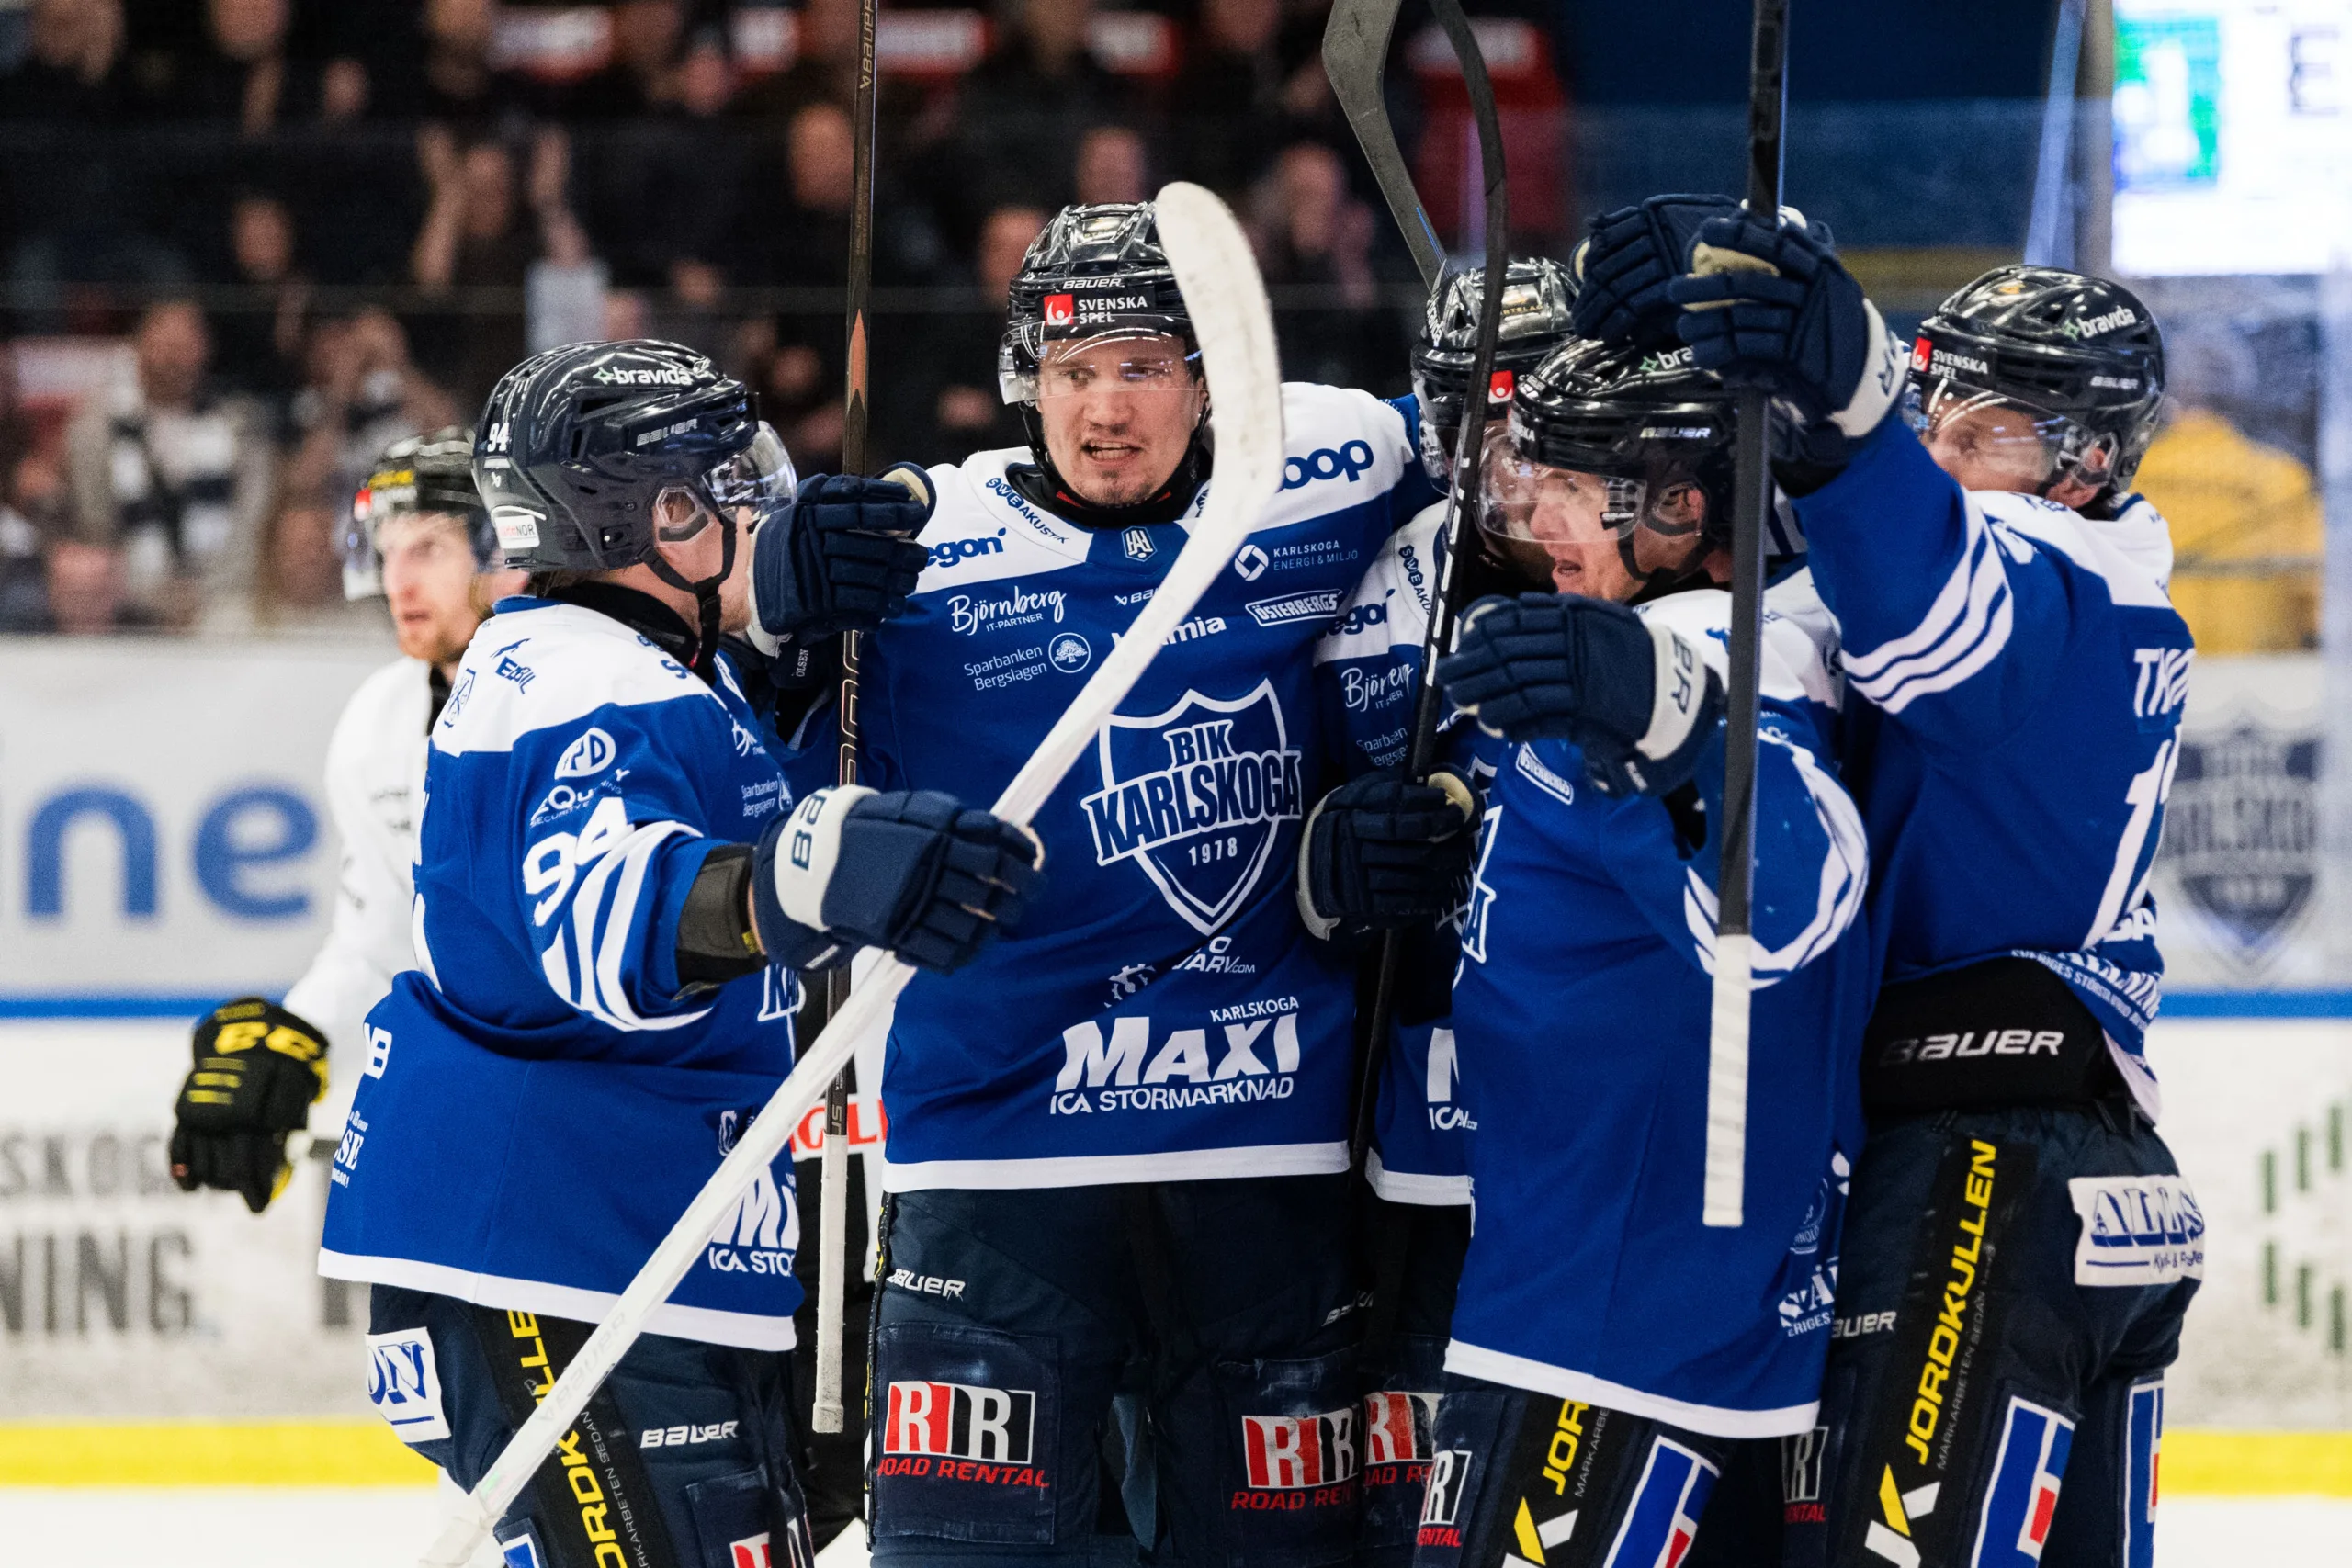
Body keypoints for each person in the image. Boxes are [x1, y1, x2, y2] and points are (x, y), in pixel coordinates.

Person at [745, 201, 1440, 1566]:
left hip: (1264, 1153)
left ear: (1213, 377)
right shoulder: (916, 547)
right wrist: (772, 609)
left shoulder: (1338, 467)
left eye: (1141, 365)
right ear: (1024, 384)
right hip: (999, 1157)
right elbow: (745, 775)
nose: (1104, 407)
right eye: (1071, 372)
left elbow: (1527, 480)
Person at [316, 340, 1037, 1568]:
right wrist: (793, 881)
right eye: (725, 486)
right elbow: (607, 918)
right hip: (553, 1251)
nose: (758, 506)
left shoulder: (641, 668)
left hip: (625, 1246)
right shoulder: (573, 678)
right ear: (656, 516)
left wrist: (796, 657)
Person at [1632, 204, 2200, 1565]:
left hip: (1977, 1163)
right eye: (1938, 416)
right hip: (2095, 1165)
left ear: (2092, 458)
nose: (1948, 455)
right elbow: (1794, 537)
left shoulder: (2051, 573)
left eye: (1987, 430)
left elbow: (1920, 602)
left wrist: (1847, 399)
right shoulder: (2115, 580)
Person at [1355, 332, 1870, 1568]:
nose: (1542, 517)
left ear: (1684, 506)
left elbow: (1793, 899)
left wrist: (1664, 716)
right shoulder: (1649, 644)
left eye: (1578, 488)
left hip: (1603, 1336)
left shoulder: (1697, 657)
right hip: (1628, 1311)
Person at [1302, 254, 1578, 1563]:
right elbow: (1277, 820)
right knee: (1420, 1505)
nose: (1506, 450)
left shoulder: (1663, 553)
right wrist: (1336, 864)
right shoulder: (1374, 577)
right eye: (1476, 413)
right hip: (1419, 1121)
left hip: (1611, 1115)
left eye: (1535, 409)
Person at [166, 429, 521, 1213]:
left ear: (504, 546)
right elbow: (377, 941)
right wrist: (296, 1039)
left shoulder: (585, 686)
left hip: (587, 1105)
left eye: (429, 548)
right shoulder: (379, 718)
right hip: (462, 1120)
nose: (400, 578)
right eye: (386, 551)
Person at [62, 299, 274, 630]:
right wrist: (154, 596)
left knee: (236, 624)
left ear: (205, 351)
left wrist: (201, 594)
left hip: (219, 599)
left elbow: (250, 525)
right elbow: (95, 526)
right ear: (138, 347)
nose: (175, 358)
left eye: (186, 346)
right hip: (127, 598)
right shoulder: (95, 430)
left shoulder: (240, 425)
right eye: (164, 346)